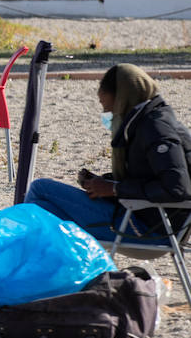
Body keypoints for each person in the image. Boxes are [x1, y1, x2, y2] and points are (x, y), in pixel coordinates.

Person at [25, 64, 191, 243]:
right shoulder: (147, 122)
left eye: (110, 110)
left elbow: (177, 187)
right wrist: (103, 183)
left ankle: (24, 260)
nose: (109, 116)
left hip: (151, 229)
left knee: (40, 189)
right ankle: (51, 265)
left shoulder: (156, 129)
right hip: (145, 218)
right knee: (42, 208)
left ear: (123, 100)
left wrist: (114, 189)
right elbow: (148, 175)